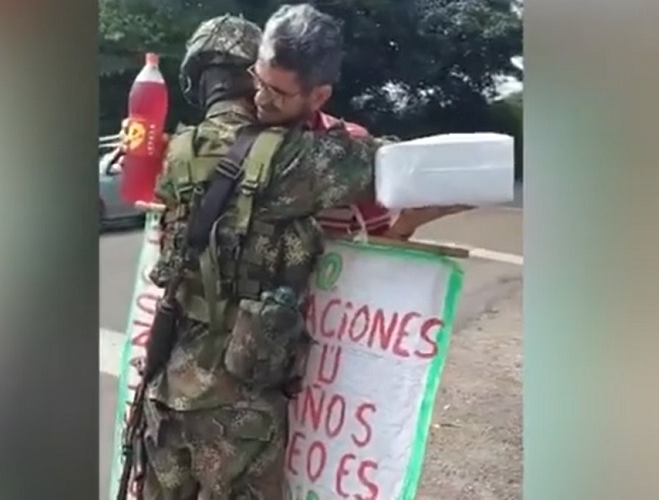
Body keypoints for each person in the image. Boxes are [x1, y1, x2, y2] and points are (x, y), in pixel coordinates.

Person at [132, 13, 399, 500]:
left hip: (167, 392)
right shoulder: (292, 157)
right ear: (248, 71)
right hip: (240, 408)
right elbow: (398, 169)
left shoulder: (176, 151)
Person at [251, 3, 472, 240]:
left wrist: (405, 224)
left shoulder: (352, 152)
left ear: (319, 96)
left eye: (278, 93)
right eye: (257, 79)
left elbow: (371, 262)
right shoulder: (224, 128)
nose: (260, 98)